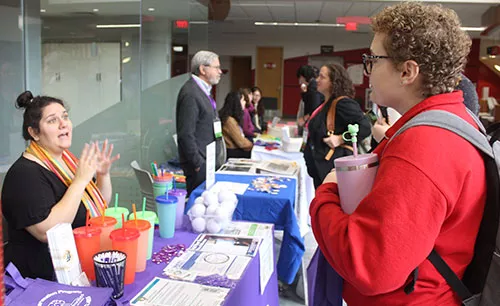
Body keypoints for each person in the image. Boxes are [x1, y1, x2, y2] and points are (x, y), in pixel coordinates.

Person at [310, 3, 484, 305]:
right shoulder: (457, 121)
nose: (367, 71)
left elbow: (369, 266)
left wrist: (326, 193)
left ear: (407, 71)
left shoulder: (423, 145)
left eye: (373, 59)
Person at [1, 91, 120, 280]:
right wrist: (80, 181)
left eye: (65, 117)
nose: (63, 123)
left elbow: (97, 205)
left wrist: (102, 174)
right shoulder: (24, 174)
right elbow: (47, 232)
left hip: (77, 268)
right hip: (39, 280)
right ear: (34, 133)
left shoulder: (66, 162)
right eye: (52, 120)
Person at [304, 63, 370, 188]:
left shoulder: (342, 103)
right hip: (320, 170)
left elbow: (365, 127)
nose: (317, 80)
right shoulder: (326, 104)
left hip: (331, 171)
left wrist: (340, 138)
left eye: (322, 77)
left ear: (333, 82)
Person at [176, 50, 222, 194]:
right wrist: (197, 164)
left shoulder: (203, 91)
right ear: (202, 69)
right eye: (216, 67)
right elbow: (185, 134)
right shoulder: (191, 93)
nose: (220, 71)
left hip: (207, 161)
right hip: (199, 165)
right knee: (196, 209)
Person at [219, 91, 253, 158]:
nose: (245, 103)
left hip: (234, 149)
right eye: (243, 100)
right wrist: (253, 145)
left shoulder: (231, 118)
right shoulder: (229, 120)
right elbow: (241, 143)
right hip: (232, 151)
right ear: (237, 103)